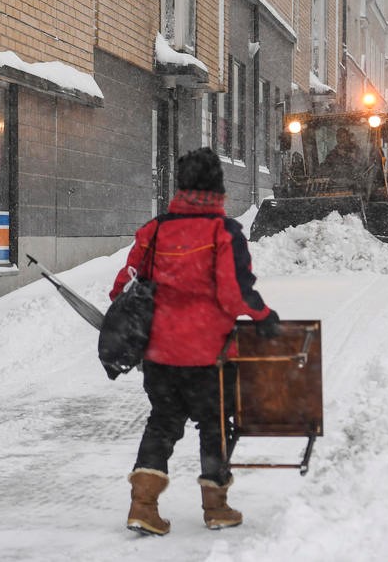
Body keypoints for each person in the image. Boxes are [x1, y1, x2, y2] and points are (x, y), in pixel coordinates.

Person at [110, 147, 280, 536]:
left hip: (160, 354)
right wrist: (263, 317)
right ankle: (216, 507)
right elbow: (235, 292)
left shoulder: (155, 231)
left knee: (162, 422)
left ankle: (143, 506)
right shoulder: (224, 233)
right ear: (218, 187)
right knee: (215, 425)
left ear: (180, 186)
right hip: (210, 355)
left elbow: (123, 287)